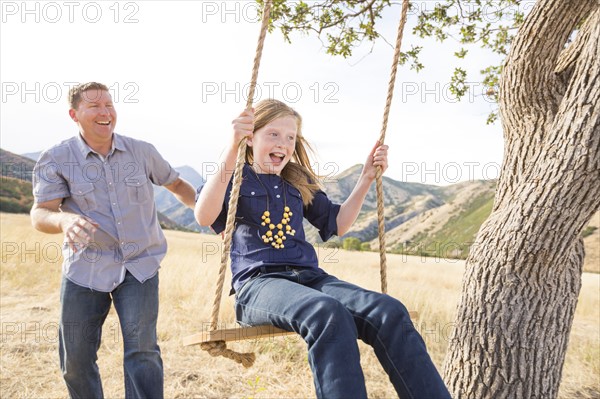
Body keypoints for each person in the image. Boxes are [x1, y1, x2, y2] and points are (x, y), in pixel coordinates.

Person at [195, 99, 451, 398]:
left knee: (388, 310)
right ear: (251, 138)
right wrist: (231, 147)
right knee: (326, 312)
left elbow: (338, 223)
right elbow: (205, 216)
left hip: (311, 278)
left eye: (291, 137)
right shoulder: (233, 176)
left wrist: (367, 178)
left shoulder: (297, 180)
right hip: (259, 284)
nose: (284, 143)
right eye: (274, 134)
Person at [30, 82, 196, 399]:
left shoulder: (142, 151)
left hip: (140, 266)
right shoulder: (55, 158)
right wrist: (63, 220)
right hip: (86, 268)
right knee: (75, 360)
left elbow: (176, 184)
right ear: (74, 114)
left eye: (109, 104)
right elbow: (40, 213)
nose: (105, 112)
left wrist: (208, 214)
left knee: (142, 352)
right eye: (94, 106)